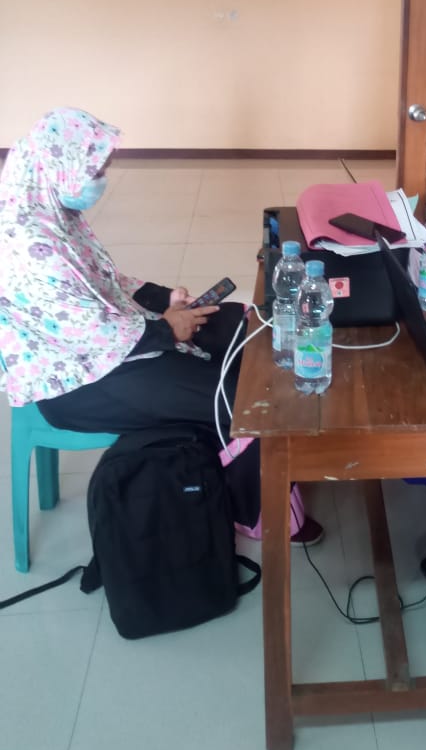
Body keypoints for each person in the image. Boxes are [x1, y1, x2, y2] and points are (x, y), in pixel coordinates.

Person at [0, 107, 322, 544]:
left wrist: (162, 299)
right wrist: (167, 330)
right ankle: (257, 513)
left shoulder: (49, 210)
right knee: (233, 399)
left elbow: (106, 281)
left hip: (106, 344)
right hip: (75, 382)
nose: (101, 179)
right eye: (96, 170)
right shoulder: (30, 242)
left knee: (235, 321)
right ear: (61, 166)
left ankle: (258, 449)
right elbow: (85, 332)